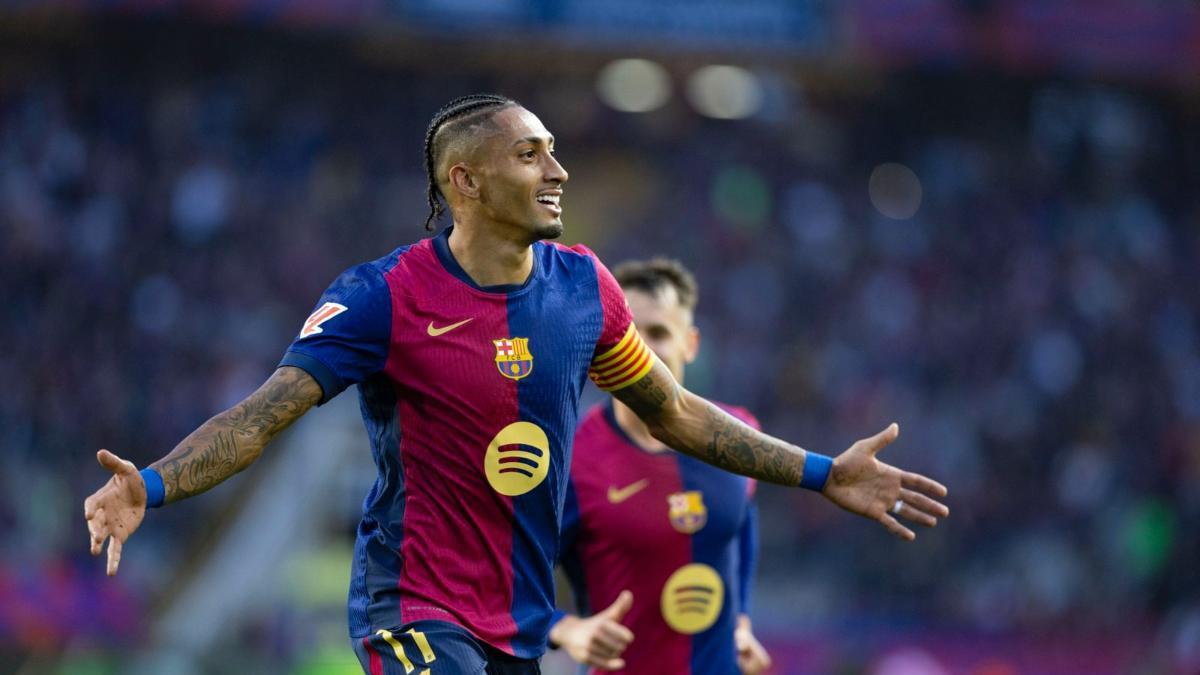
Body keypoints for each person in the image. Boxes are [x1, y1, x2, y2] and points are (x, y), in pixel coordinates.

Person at [83, 94, 949, 675]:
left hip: (519, 624)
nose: (558, 171)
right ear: (465, 180)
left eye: (555, 153)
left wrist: (822, 471)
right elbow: (263, 416)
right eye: (531, 155)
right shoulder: (380, 297)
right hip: (411, 606)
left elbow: (678, 413)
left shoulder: (583, 289)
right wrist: (152, 484)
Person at [550, 258, 772, 674]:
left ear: (690, 344)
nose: (642, 351)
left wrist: (741, 620)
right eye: (627, 335)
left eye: (658, 333)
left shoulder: (739, 434)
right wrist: (566, 629)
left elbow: (742, 523)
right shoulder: (569, 459)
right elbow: (507, 583)